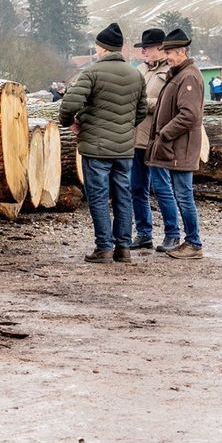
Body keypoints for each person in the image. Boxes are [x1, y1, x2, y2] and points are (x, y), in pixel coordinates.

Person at [58, 22, 146, 264]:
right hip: (124, 149)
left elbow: (69, 104)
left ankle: (104, 248)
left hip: (96, 147)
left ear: (104, 49)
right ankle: (124, 248)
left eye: (97, 47)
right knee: (123, 197)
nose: (96, 51)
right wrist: (125, 128)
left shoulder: (92, 73)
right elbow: (141, 111)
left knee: (98, 197)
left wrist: (71, 122)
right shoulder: (136, 74)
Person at [146, 28, 205, 259]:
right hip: (178, 146)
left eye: (169, 52)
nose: (166, 56)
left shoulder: (188, 76)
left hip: (182, 147)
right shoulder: (180, 73)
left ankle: (194, 243)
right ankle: (190, 241)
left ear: (181, 52)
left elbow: (189, 115)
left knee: (184, 195)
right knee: (182, 194)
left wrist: (165, 133)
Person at [126, 28, 169, 251]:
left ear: (160, 48)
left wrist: (143, 103)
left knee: (162, 188)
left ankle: (171, 233)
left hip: (157, 138)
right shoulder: (140, 70)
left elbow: (166, 102)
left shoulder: (171, 71)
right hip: (136, 139)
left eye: (148, 47)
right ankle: (144, 233)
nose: (143, 51)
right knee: (136, 188)